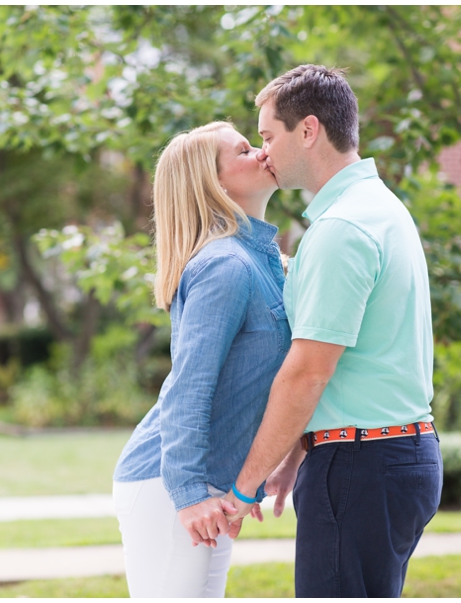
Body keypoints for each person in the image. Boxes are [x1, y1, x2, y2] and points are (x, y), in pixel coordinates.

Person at [223, 64, 443, 597]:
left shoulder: (341, 228)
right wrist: (296, 455)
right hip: (387, 458)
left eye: (268, 136)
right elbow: (348, 359)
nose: (264, 152)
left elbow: (307, 373)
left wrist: (244, 484)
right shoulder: (379, 208)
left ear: (308, 130)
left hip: (361, 468)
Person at [112, 121, 291, 597]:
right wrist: (189, 494)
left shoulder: (263, 258)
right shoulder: (226, 266)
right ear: (212, 182)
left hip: (210, 485)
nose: (262, 152)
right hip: (171, 488)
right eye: (244, 150)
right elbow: (188, 389)